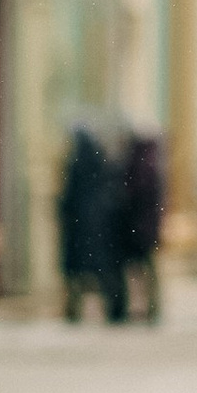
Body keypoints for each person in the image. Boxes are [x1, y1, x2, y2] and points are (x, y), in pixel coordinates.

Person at [58, 123, 125, 325]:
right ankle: (113, 309)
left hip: (81, 228)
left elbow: (69, 198)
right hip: (97, 228)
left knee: (79, 272)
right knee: (101, 271)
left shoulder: (77, 165)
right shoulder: (100, 163)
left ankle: (75, 310)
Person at [118, 131, 167, 324]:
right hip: (148, 227)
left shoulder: (143, 165)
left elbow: (135, 195)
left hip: (140, 227)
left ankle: (148, 307)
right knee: (147, 268)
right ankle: (150, 306)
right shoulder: (153, 163)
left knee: (142, 269)